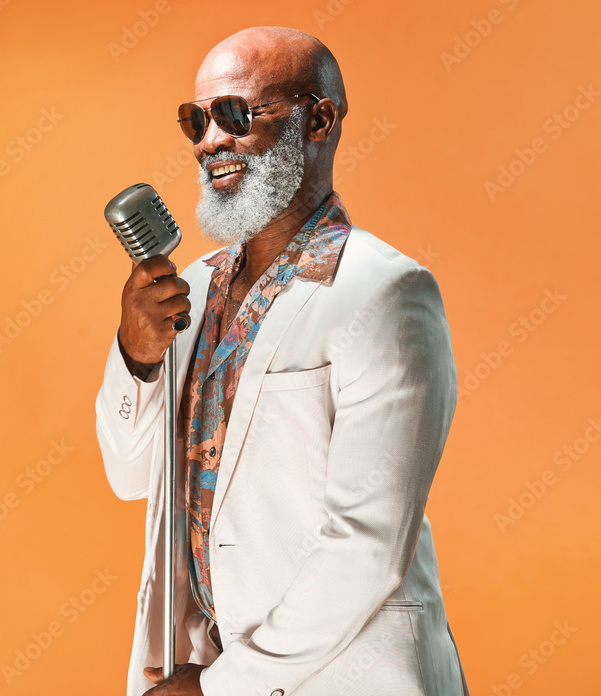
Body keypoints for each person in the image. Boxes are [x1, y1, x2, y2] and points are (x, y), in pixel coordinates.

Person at [95, 25, 468, 696]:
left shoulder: (386, 293)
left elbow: (367, 542)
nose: (211, 141)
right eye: (196, 120)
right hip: (202, 661)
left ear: (318, 118)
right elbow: (128, 477)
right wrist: (139, 355)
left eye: (237, 114)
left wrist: (218, 690)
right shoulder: (192, 291)